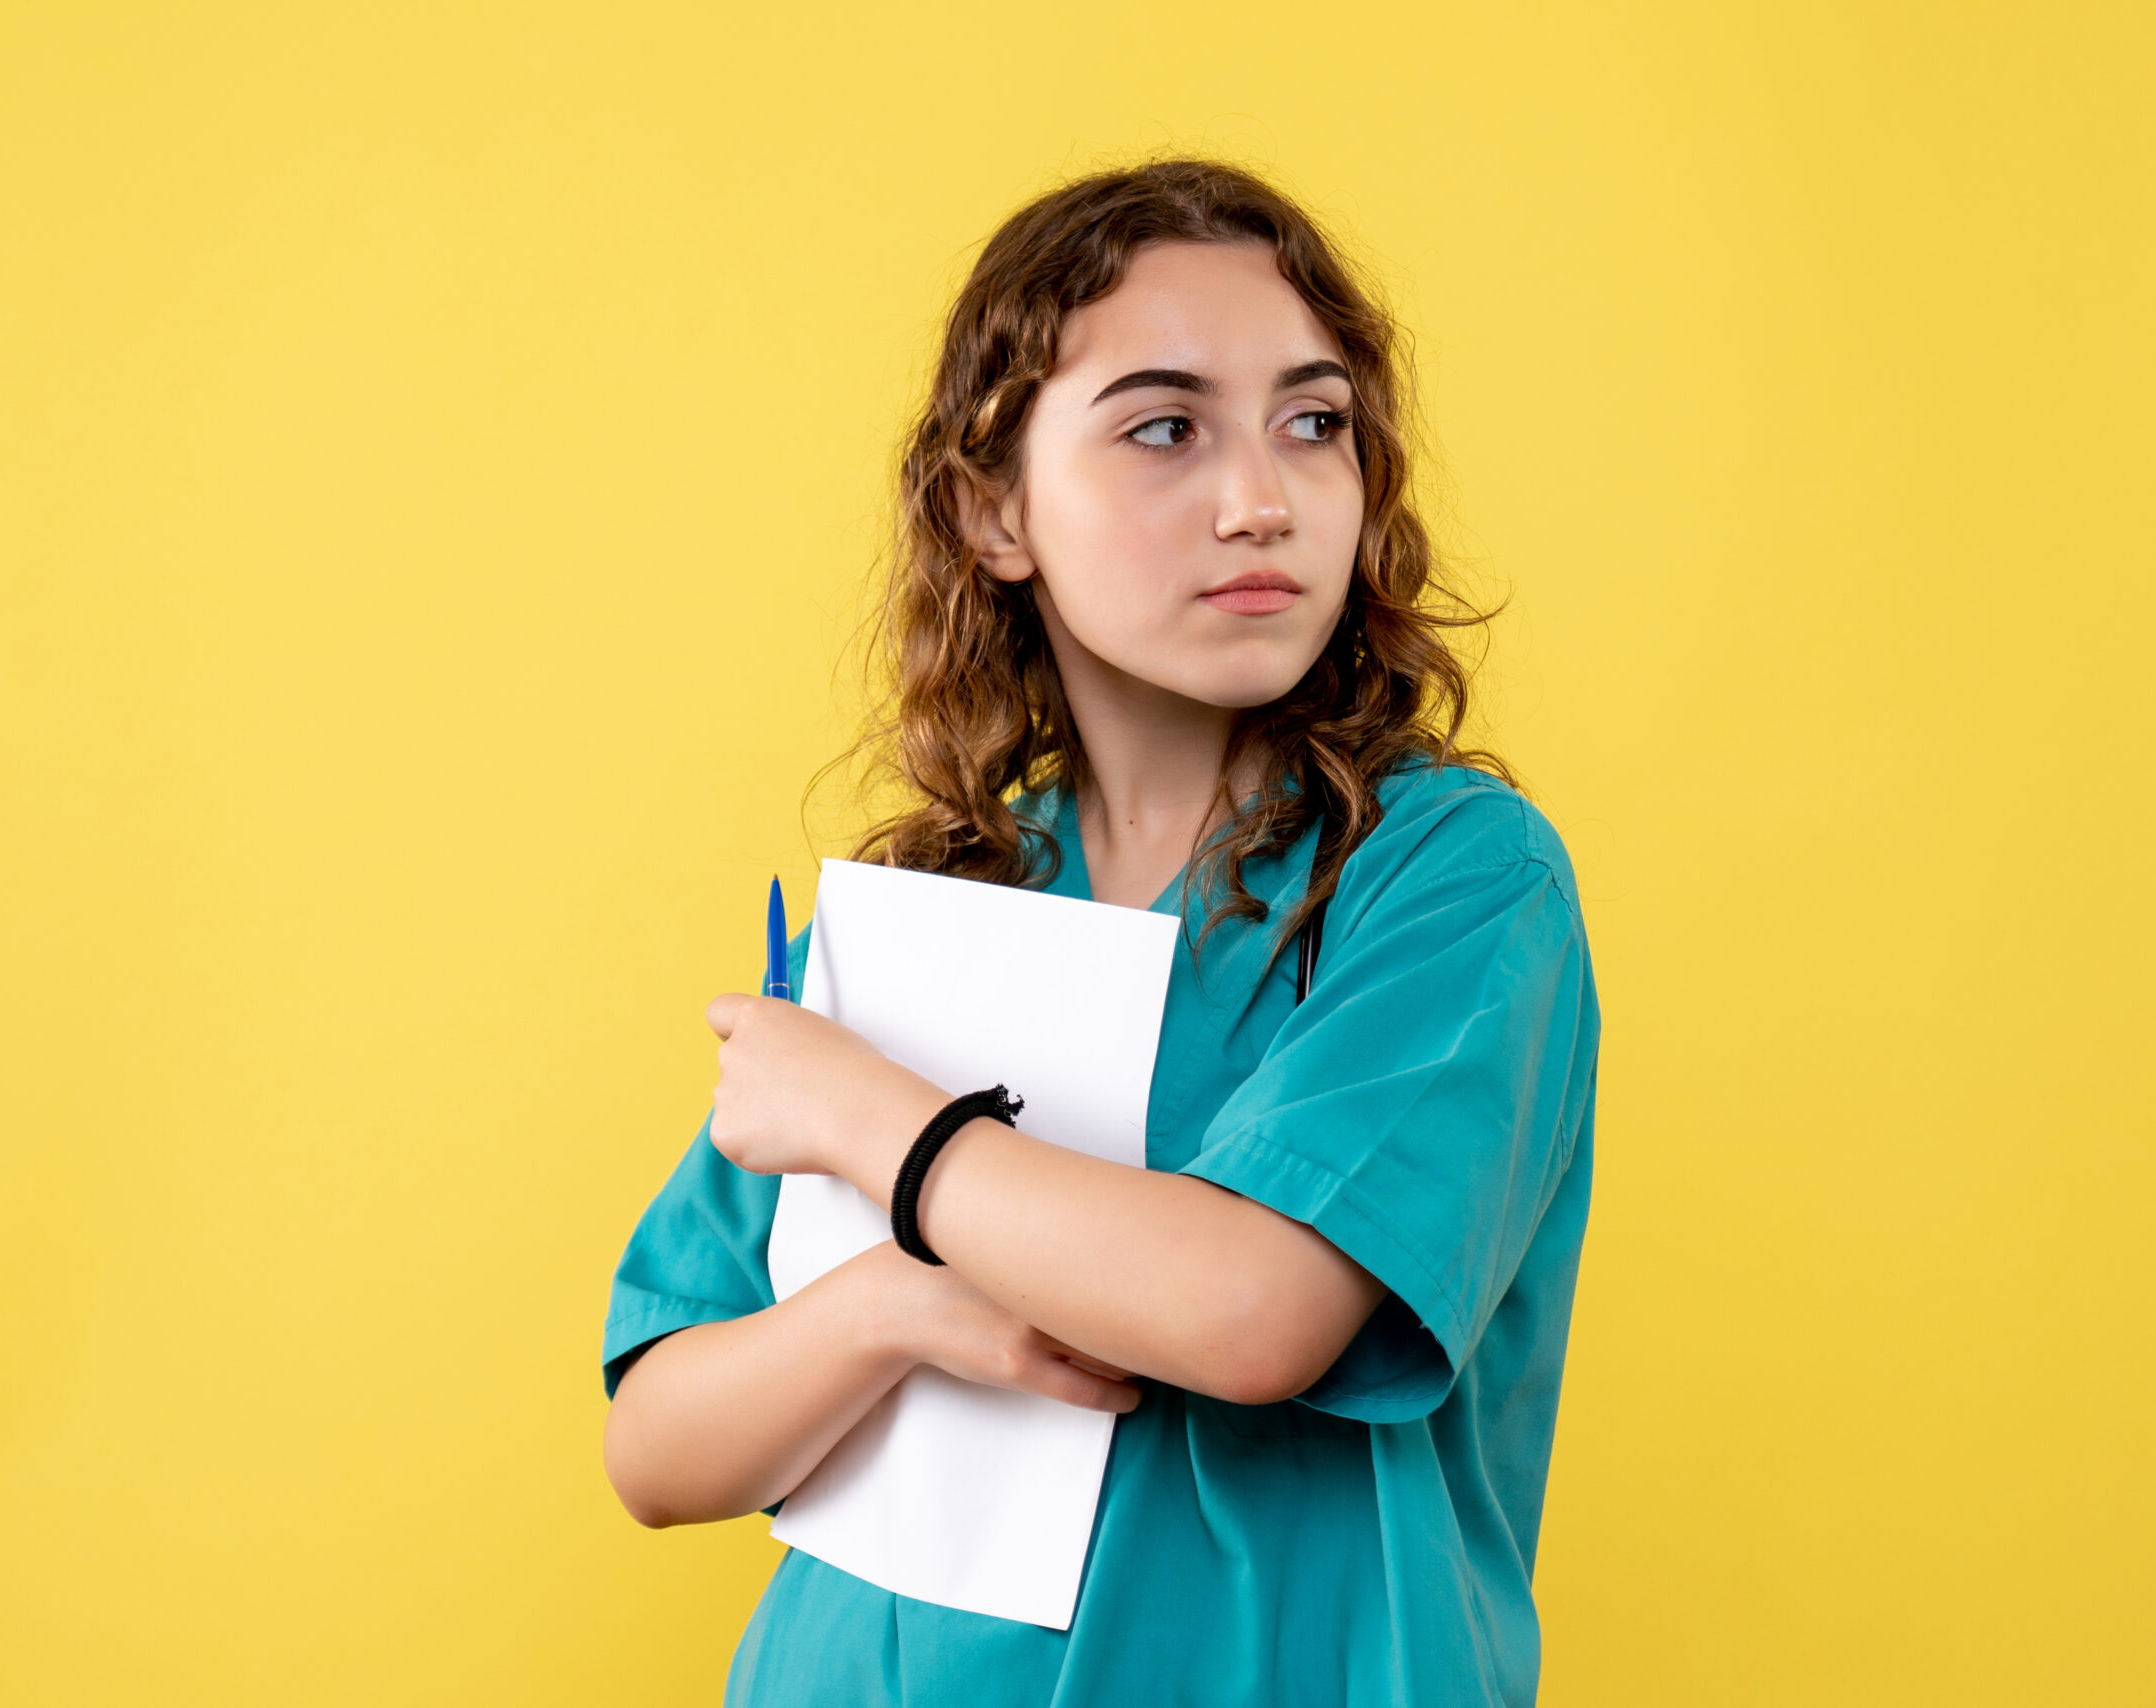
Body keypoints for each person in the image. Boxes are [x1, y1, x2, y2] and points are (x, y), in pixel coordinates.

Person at [600, 158, 1601, 1708]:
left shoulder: (1452, 878)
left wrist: (876, 1126)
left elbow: (1250, 1313)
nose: (1262, 498)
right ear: (993, 510)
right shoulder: (945, 896)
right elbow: (658, 1450)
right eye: (1165, 428)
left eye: (1314, 423)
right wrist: (891, 1308)